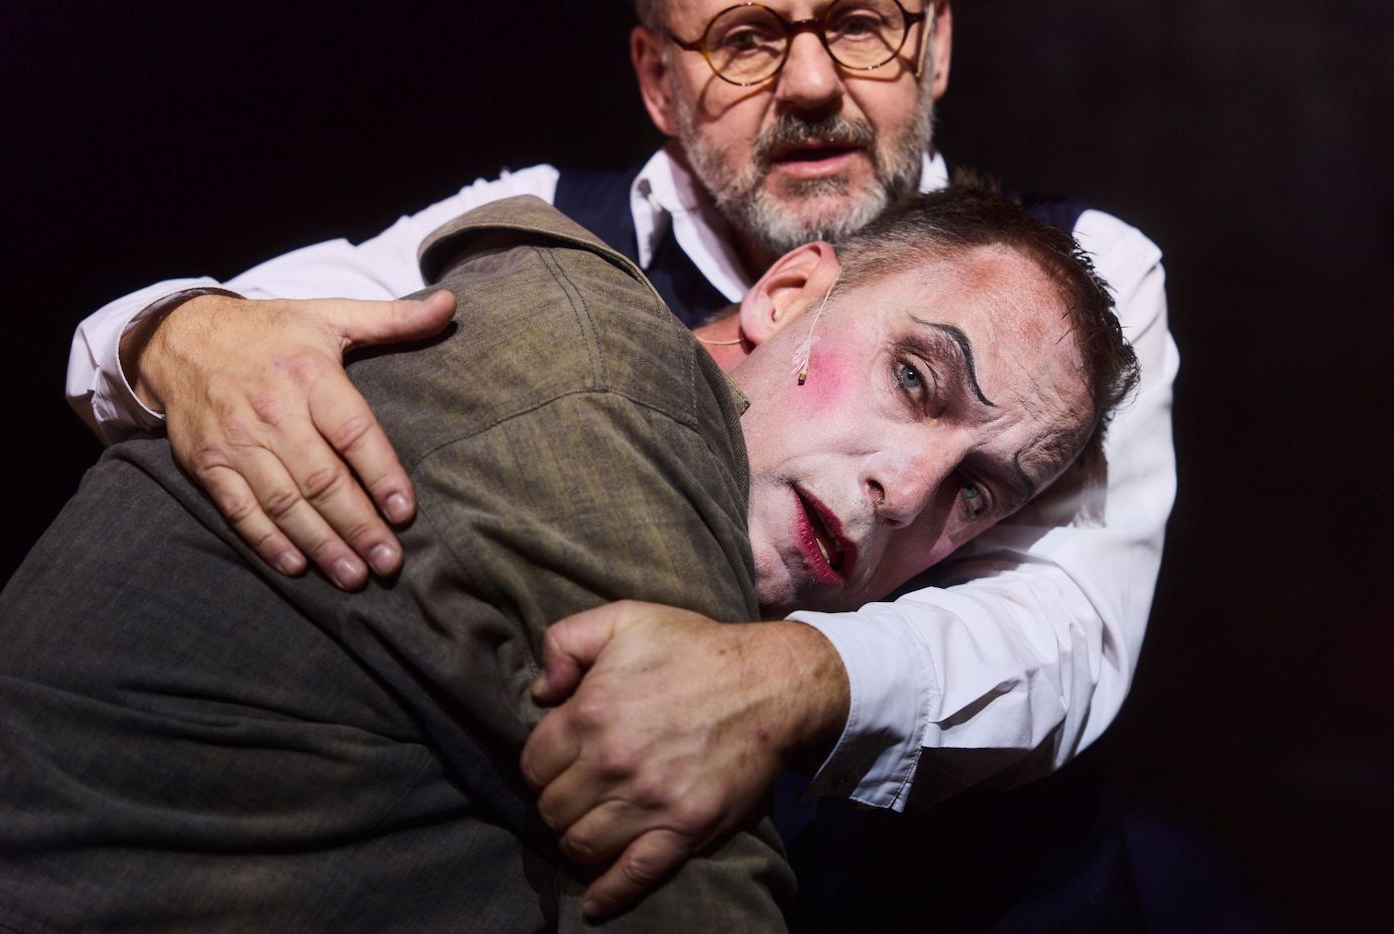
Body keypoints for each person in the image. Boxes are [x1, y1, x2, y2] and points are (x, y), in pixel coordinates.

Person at [63, 0, 1178, 923]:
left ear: (932, 44)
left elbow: (1065, 631)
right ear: (657, 78)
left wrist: (779, 681)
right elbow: (242, 323)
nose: (809, 83)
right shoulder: (534, 231)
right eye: (745, 38)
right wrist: (179, 335)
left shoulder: (1081, 284)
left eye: (857, 24)